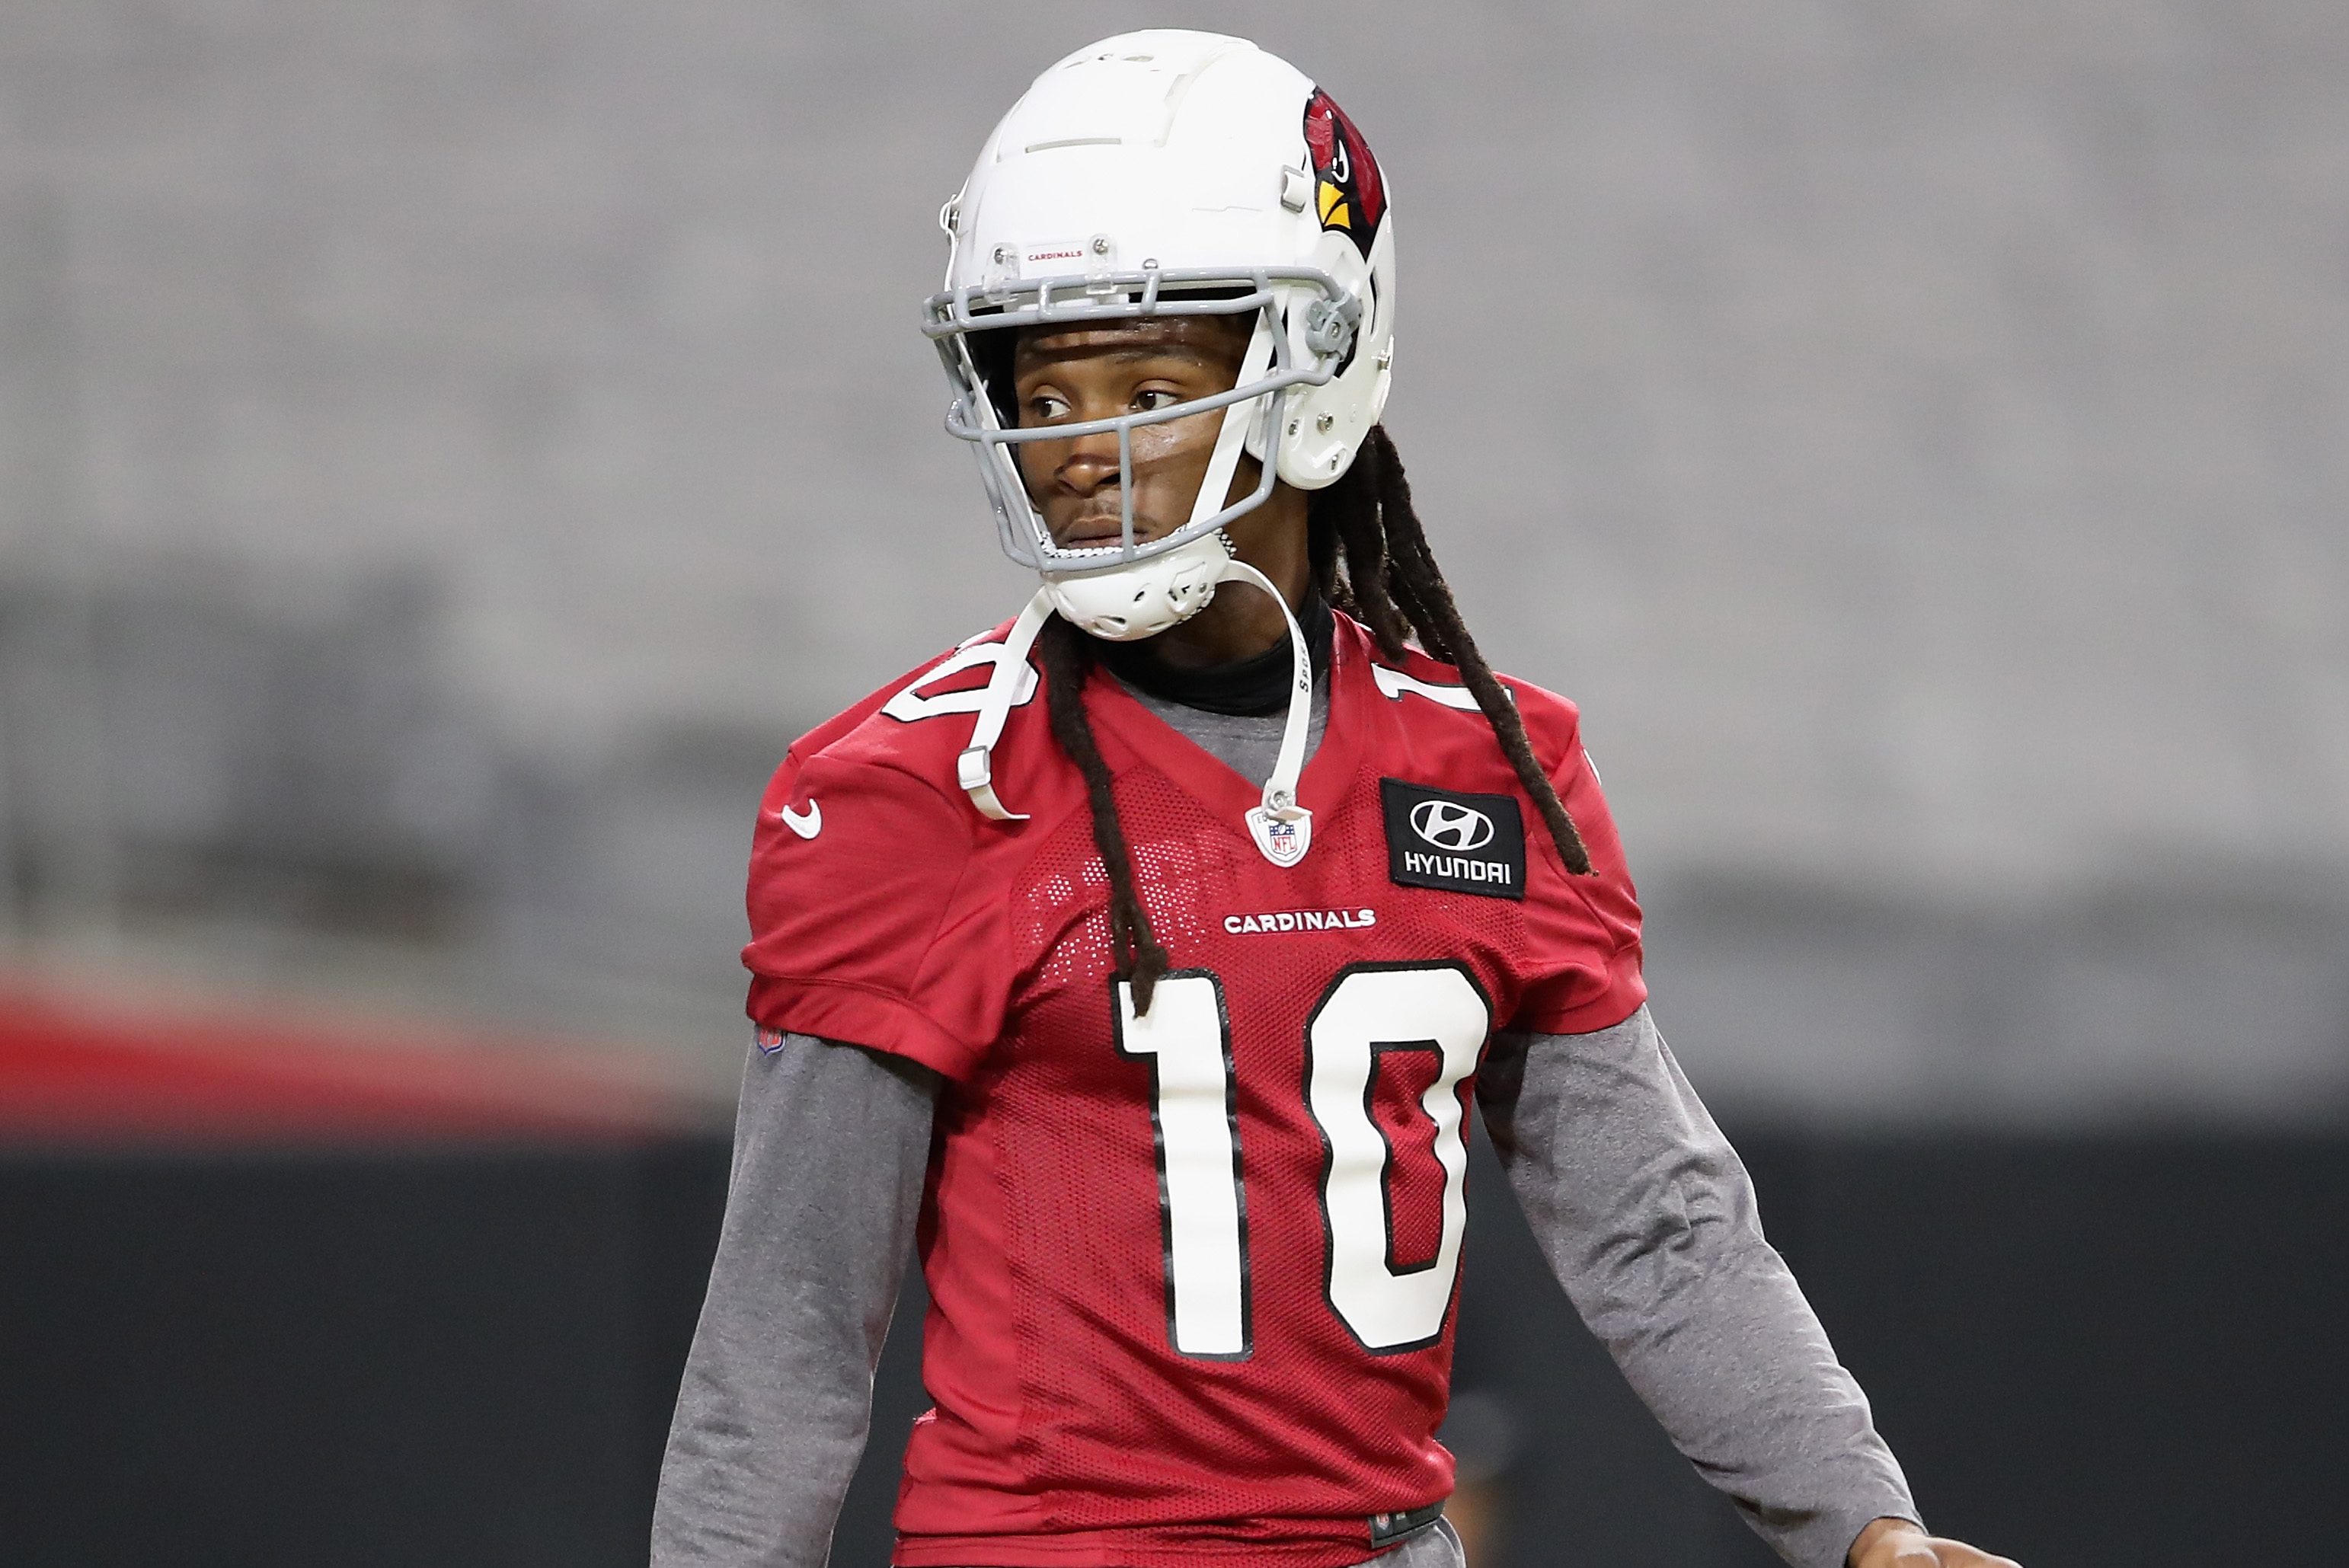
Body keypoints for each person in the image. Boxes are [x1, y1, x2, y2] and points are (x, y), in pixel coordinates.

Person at [652, 30, 2019, 1568]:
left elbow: (1656, 1225)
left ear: (1317, 370)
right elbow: (784, 1346)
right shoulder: (912, 792)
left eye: (1151, 384)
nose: (1080, 453)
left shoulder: (1490, 765)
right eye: (1045, 390)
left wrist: (1865, 1525)